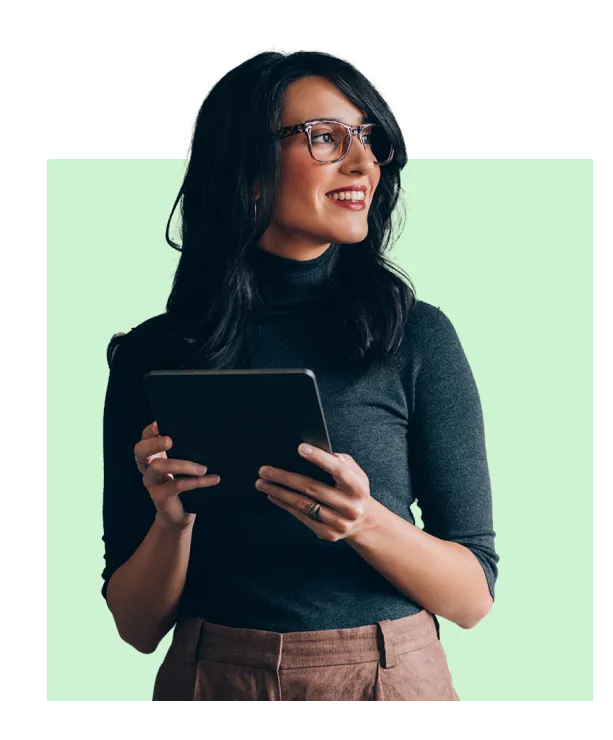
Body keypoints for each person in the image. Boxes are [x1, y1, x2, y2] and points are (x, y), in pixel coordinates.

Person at [101, 47, 499, 704]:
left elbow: (473, 597)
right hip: (209, 675)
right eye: (324, 136)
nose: (362, 161)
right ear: (245, 164)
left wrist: (363, 520)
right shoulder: (154, 353)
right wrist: (170, 521)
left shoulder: (416, 334)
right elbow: (138, 627)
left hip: (386, 673)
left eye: (369, 138)